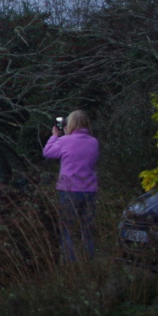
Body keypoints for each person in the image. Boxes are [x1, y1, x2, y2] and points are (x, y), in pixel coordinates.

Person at [42, 110, 99, 261]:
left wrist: (55, 136)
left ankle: (70, 266)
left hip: (68, 190)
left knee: (67, 230)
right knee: (86, 230)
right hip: (89, 190)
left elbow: (47, 152)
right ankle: (89, 262)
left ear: (70, 124)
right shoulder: (94, 142)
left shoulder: (64, 141)